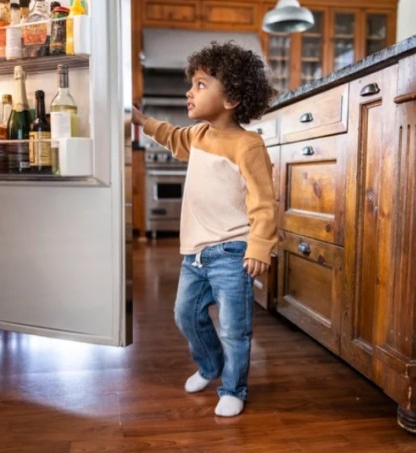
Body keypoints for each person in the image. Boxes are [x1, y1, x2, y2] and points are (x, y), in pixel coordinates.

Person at [132, 41, 277, 417]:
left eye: (200, 84)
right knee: (185, 314)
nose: (189, 92)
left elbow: (263, 202)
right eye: (192, 84)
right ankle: (211, 365)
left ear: (231, 98)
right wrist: (142, 121)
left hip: (233, 252)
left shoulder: (248, 146)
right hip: (194, 255)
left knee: (234, 328)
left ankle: (234, 387)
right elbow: (170, 134)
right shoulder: (197, 136)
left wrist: (259, 246)